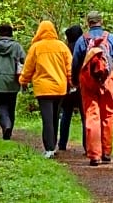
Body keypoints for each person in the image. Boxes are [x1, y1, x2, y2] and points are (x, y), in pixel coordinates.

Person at [71, 9, 113, 167]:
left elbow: (76, 63)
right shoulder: (112, 39)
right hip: (107, 80)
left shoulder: (82, 40)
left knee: (92, 116)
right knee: (108, 115)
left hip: (88, 82)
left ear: (88, 22)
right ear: (101, 21)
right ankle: (106, 153)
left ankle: (94, 155)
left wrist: (75, 81)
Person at [18, 20, 72, 158]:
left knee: (47, 119)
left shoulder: (36, 48)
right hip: (60, 88)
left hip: (43, 89)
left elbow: (28, 68)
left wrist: (23, 81)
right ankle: (52, 146)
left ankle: (49, 149)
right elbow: (69, 68)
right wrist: (72, 83)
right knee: (55, 117)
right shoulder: (62, 47)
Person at [0, 23, 26, 140]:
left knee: (1, 105)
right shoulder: (17, 47)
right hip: (13, 80)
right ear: (11, 33)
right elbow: (24, 60)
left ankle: (6, 125)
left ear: (0, 33)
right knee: (11, 106)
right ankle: (9, 129)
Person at [57, 24, 86, 152]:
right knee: (85, 116)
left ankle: (62, 144)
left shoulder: (65, 49)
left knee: (66, 114)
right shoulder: (85, 47)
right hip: (83, 85)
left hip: (68, 86)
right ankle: (87, 146)